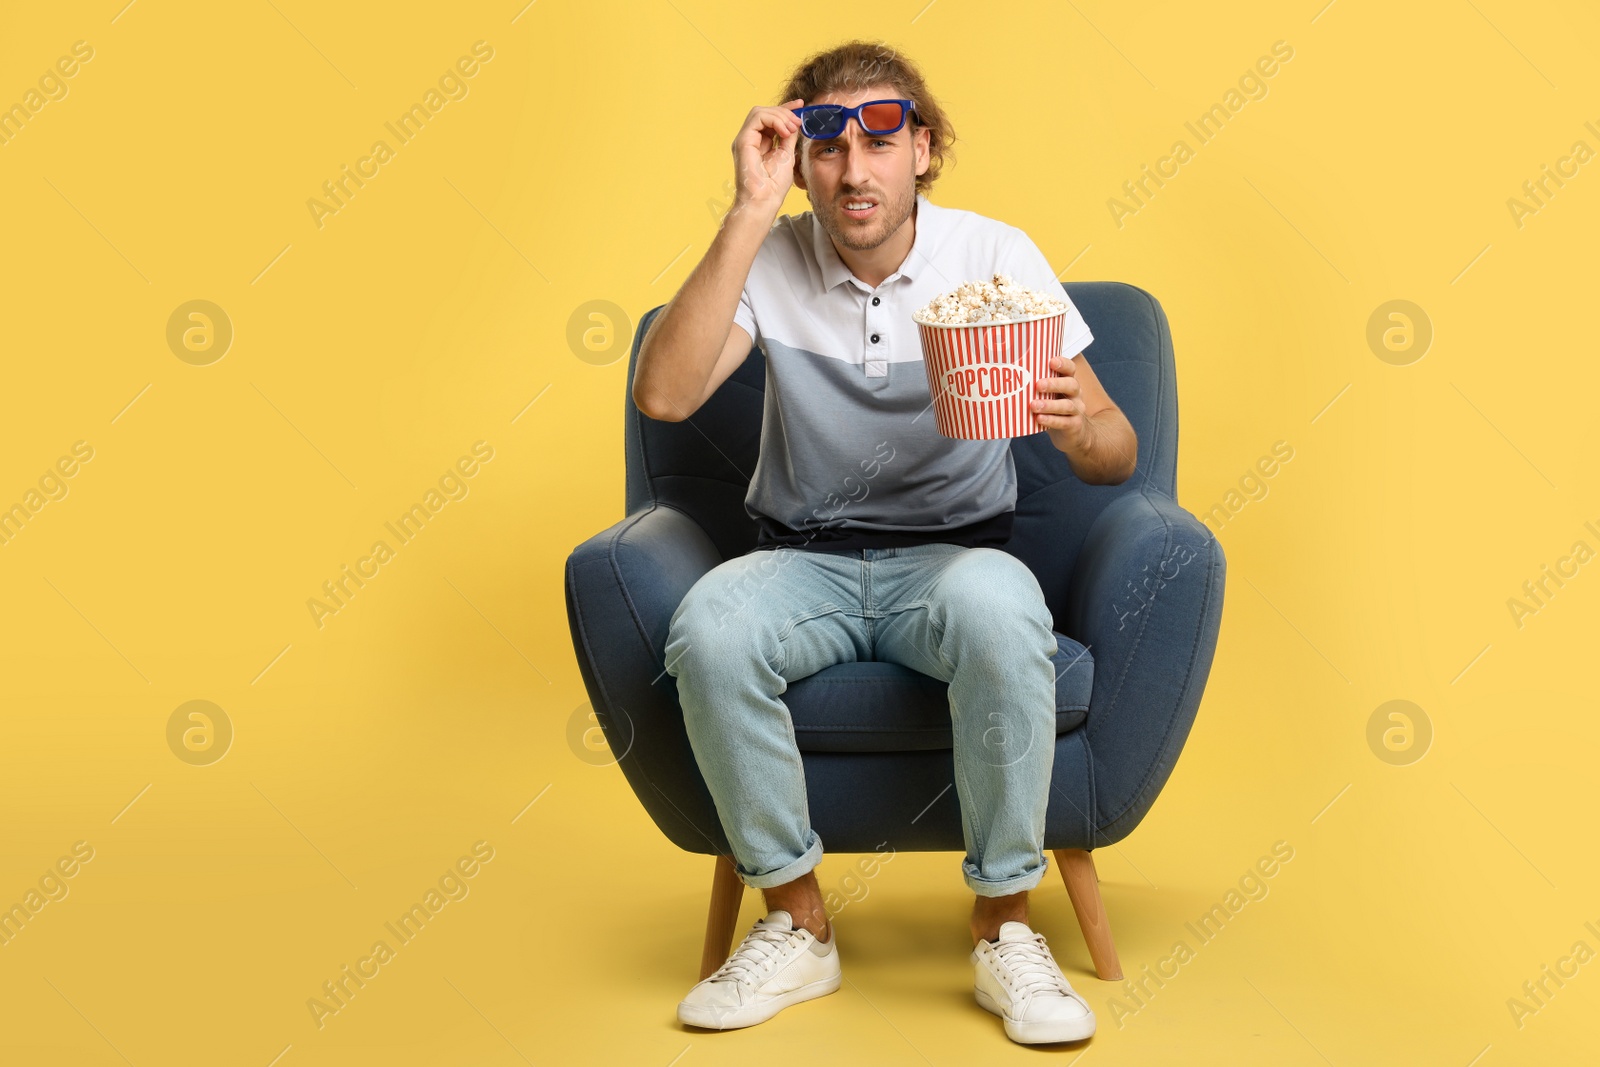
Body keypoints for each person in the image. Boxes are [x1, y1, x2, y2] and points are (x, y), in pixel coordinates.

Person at [633, 40, 1137, 1046]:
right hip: (803, 558)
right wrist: (745, 210)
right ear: (797, 157)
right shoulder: (770, 258)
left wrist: (1083, 422)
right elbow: (664, 394)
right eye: (824, 142)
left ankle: (1003, 924)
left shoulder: (993, 255)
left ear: (925, 149)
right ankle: (795, 918)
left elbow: (1116, 454)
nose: (853, 169)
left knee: (1003, 611)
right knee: (711, 627)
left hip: (954, 558)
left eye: (880, 135)